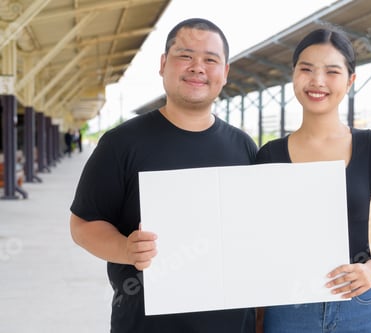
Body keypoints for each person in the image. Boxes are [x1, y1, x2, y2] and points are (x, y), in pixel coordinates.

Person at [69, 18, 258, 333]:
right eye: (185, 56)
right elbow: (83, 224)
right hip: (144, 323)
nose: (198, 67)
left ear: (224, 73)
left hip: (231, 323)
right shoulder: (121, 143)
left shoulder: (243, 147)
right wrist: (125, 249)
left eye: (210, 60)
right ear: (162, 64)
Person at [255, 27, 371, 332]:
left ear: (350, 80)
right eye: (306, 69)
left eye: (332, 71)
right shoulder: (269, 155)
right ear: (293, 75)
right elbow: (255, 240)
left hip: (360, 306)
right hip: (288, 308)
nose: (317, 81)